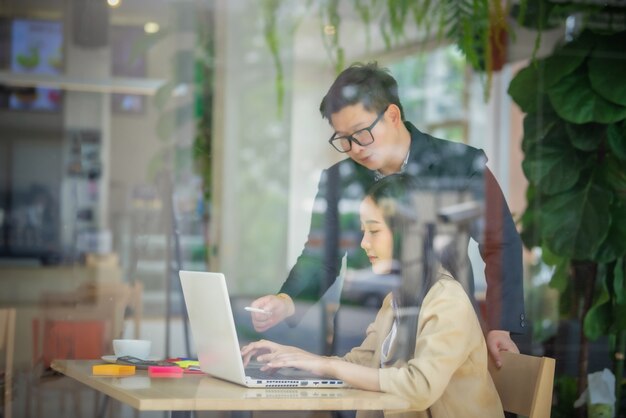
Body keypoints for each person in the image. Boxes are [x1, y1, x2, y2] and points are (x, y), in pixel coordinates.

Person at [250, 62, 525, 367]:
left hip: (439, 330)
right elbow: (320, 257)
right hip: (363, 333)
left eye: (361, 133)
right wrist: (285, 302)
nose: (354, 148)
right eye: (343, 139)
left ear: (392, 115)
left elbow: (500, 243)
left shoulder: (458, 166)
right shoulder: (340, 181)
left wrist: (501, 324)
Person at [242, 174, 505, 418]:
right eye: (363, 231)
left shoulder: (448, 299)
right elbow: (363, 362)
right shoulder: (397, 298)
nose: (363, 242)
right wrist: (299, 358)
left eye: (374, 231)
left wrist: (326, 366)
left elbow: (419, 386)